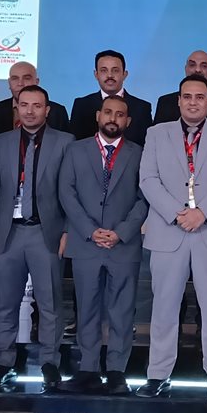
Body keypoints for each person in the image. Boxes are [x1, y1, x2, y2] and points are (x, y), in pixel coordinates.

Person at [138, 75, 207, 400]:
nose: (193, 102)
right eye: (187, 96)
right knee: (164, 306)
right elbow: (148, 179)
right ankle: (158, 374)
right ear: (178, 101)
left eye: (199, 97)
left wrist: (203, 213)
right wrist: (178, 212)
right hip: (169, 229)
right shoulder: (157, 133)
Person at [0, 85, 73, 393]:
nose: (30, 111)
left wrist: (68, 231)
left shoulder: (65, 142)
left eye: (37, 105)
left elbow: (70, 191)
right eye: (25, 105)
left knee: (49, 305)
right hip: (8, 232)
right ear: (16, 108)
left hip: (46, 232)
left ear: (47, 110)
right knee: (5, 304)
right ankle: (3, 363)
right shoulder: (2, 142)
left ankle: (50, 363)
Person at [58, 95, 150, 394]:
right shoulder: (76, 150)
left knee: (122, 311)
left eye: (120, 114)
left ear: (128, 121)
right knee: (86, 309)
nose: (113, 118)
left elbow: (144, 198)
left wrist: (121, 232)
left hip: (122, 244)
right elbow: (67, 193)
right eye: (108, 112)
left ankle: (116, 371)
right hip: (86, 242)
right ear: (98, 115)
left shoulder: (139, 154)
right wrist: (89, 230)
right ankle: (87, 369)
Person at [70, 49, 154, 145]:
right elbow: (75, 145)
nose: (110, 75)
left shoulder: (142, 108)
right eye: (104, 70)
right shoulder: (81, 105)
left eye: (115, 70)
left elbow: (147, 146)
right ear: (96, 75)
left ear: (125, 74)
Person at [0, 61, 71, 139]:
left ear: (36, 82)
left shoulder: (58, 112)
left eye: (26, 78)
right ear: (9, 82)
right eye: (15, 78)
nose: (20, 83)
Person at [153, 50, 207, 128]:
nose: (197, 70)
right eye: (192, 65)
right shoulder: (165, 103)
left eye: (204, 66)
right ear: (185, 69)